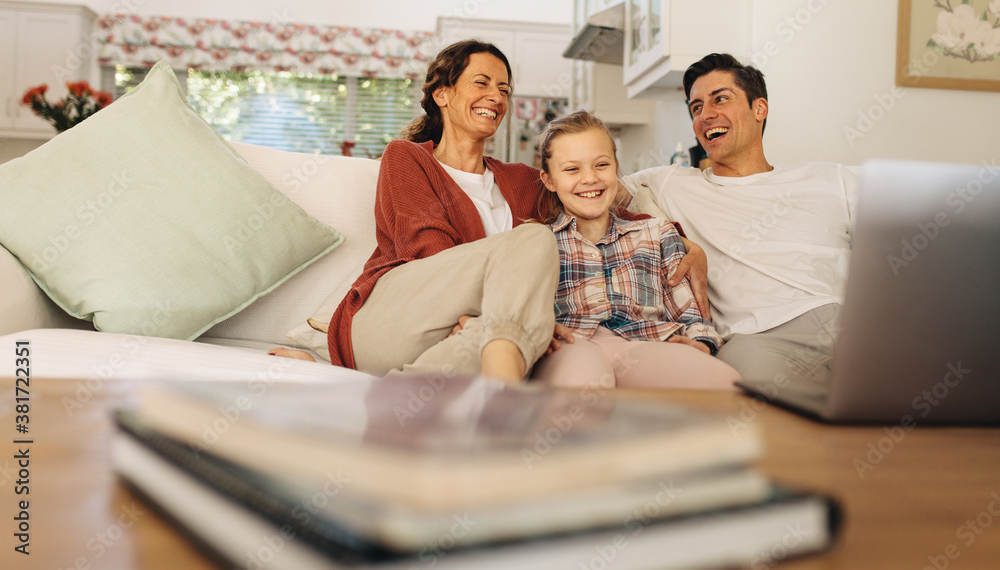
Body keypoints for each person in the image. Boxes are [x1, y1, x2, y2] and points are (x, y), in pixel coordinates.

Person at [270, 40, 710, 382]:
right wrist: (499, 313)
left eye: (504, 88)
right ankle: (496, 388)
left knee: (520, 339)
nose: (496, 96)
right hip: (397, 321)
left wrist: (679, 239)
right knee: (533, 243)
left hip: (473, 334)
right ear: (442, 94)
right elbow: (429, 253)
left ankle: (407, 401)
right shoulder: (407, 158)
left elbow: (606, 194)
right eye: (481, 83)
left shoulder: (521, 180)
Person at [626, 53, 861, 389]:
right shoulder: (671, 183)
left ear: (759, 109)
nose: (706, 115)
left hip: (849, 324)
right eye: (696, 107)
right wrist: (675, 235)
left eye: (720, 98)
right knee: (759, 407)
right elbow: (585, 186)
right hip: (760, 338)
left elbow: (925, 220)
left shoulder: (830, 177)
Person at [530, 110, 740, 390]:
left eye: (601, 165)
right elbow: (520, 310)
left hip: (645, 341)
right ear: (549, 180)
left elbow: (690, 313)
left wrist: (701, 342)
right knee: (585, 383)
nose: (589, 178)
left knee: (727, 384)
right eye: (572, 169)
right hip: (572, 343)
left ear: (616, 167)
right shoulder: (538, 242)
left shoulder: (657, 234)